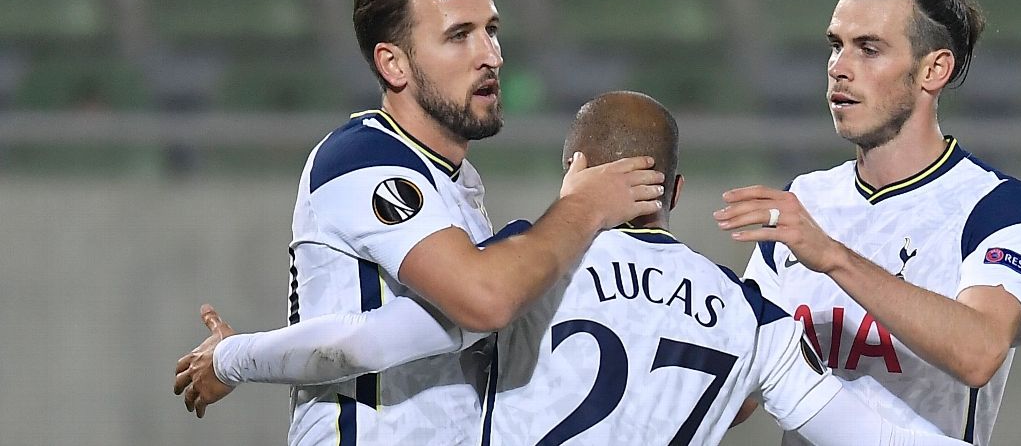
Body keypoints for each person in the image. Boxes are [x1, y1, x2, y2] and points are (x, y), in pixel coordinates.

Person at [176, 91, 969, 446]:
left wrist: (233, 358)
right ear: (676, 190)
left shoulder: (520, 274)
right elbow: (866, 433)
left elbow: (363, 346)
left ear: (576, 172)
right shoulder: (748, 314)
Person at [172, 0, 663, 445]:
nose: (490, 55)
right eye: (459, 36)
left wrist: (236, 358)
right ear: (394, 65)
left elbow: (407, 332)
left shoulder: (457, 188)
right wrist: (582, 207)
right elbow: (482, 301)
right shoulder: (361, 156)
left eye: (491, 30)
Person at [713, 0, 1021, 445]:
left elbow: (979, 352)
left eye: (869, 49)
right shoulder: (805, 199)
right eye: (836, 46)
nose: (839, 69)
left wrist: (832, 258)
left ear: (934, 70)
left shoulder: (997, 206)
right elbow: (738, 399)